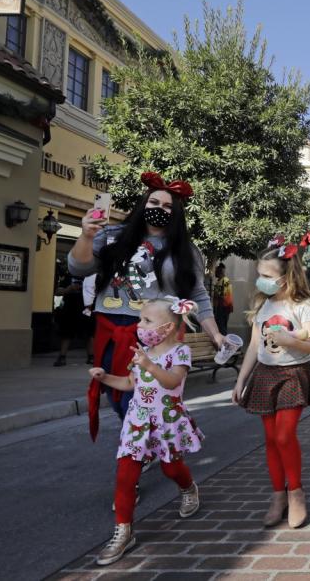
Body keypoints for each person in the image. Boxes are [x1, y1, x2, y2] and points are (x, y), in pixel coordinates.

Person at [69, 172, 224, 442]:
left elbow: (198, 294)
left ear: (176, 214)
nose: (159, 210)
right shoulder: (112, 236)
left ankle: (137, 450)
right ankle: (148, 438)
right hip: (111, 330)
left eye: (167, 207)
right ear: (143, 204)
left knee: (137, 394)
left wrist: (215, 334)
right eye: (154, 203)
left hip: (155, 334)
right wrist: (85, 236)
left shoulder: (186, 251)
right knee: (115, 393)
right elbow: (79, 268)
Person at [89, 298, 203, 565]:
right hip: (138, 422)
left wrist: (150, 366)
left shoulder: (180, 352)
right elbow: (130, 382)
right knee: (126, 473)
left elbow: (173, 380)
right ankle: (124, 531)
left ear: (166, 328)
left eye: (146, 321)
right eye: (140, 319)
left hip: (166, 421)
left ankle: (188, 488)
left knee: (171, 468)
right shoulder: (142, 352)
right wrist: (105, 377)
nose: (139, 325)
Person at [233, 241, 310, 530]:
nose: (263, 281)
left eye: (268, 276)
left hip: (293, 374)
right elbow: (254, 345)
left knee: (285, 437)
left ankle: (296, 493)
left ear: (287, 276)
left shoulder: (303, 305)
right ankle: (277, 496)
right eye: (261, 275)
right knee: (270, 440)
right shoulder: (263, 305)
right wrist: (241, 379)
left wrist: (290, 340)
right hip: (265, 375)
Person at [53, 272, 92, 367]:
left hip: (86, 308)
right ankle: (62, 356)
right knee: (66, 333)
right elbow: (57, 291)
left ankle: (91, 357)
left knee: (89, 333)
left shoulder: (91, 276)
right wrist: (68, 289)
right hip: (69, 309)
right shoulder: (68, 276)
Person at [211, 263, 233, 336]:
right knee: (219, 326)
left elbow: (222, 295)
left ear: (220, 272)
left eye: (216, 271)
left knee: (222, 327)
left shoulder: (225, 280)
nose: (215, 273)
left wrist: (216, 295)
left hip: (223, 307)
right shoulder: (219, 281)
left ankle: (224, 344)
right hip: (219, 307)